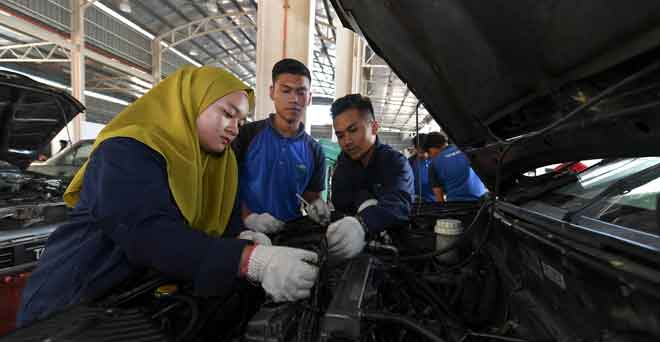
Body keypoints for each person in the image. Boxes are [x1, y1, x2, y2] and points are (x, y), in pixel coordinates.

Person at [17, 66, 319, 326]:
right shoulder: (126, 150)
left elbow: (216, 229)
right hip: (71, 304)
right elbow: (147, 233)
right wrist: (250, 260)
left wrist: (242, 236)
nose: (234, 128)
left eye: (240, 121)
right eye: (227, 114)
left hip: (133, 309)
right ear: (190, 102)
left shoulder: (218, 165)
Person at [232, 58, 329, 234]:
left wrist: (316, 205)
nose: (293, 99)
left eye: (301, 92)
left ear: (309, 98)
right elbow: (226, 185)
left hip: (290, 235)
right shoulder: (246, 136)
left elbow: (310, 194)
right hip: (245, 232)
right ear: (272, 92)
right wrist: (249, 217)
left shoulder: (314, 151)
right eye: (286, 91)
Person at [327, 93, 414, 259]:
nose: (347, 141)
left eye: (352, 130)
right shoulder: (343, 166)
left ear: (374, 127)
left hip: (394, 251)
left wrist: (363, 223)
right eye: (340, 135)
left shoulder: (395, 162)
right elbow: (341, 203)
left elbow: (399, 202)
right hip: (350, 252)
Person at [423, 132, 486, 202]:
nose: (430, 156)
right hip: (482, 200)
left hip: (457, 205)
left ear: (432, 148)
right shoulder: (465, 148)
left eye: (429, 152)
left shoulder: (433, 164)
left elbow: (439, 198)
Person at [408, 133, 436, 202]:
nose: (423, 154)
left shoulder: (437, 160)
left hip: (434, 201)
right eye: (420, 150)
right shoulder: (410, 162)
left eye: (424, 150)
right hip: (416, 202)